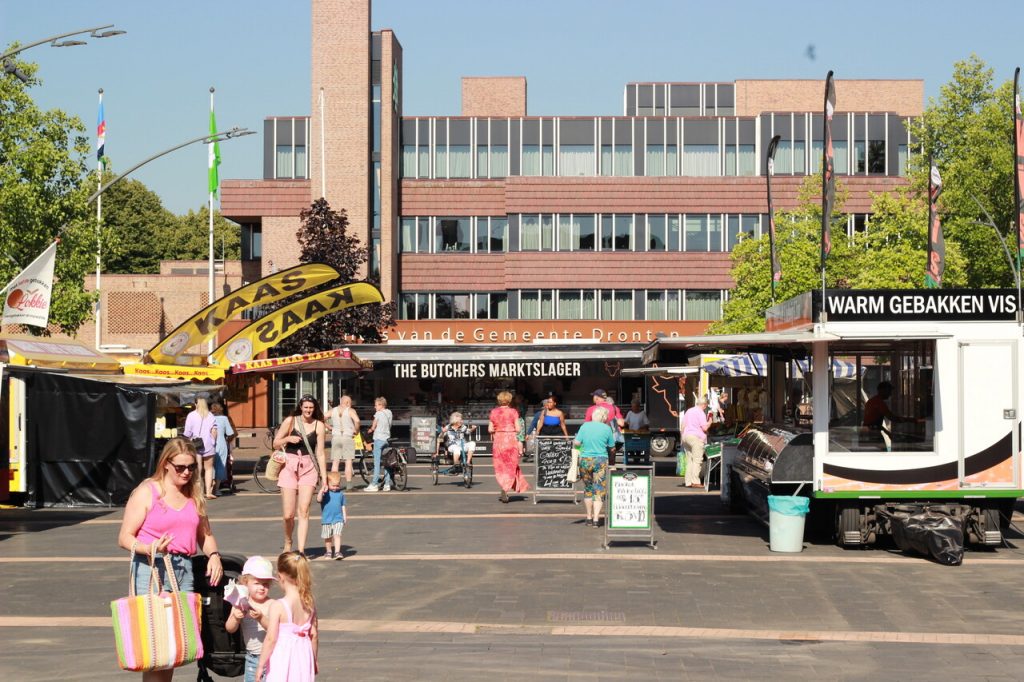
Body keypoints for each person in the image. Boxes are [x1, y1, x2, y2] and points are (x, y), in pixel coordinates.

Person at [117, 438, 224, 682]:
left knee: (173, 647)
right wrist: (148, 547)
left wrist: (214, 556)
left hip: (183, 570)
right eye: (180, 467)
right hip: (151, 568)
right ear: (166, 464)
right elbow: (124, 537)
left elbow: (205, 535)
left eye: (191, 467)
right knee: (155, 647)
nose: (187, 472)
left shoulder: (194, 495)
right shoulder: (148, 492)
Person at [272, 395, 327, 555]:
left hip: (309, 467)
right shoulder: (291, 421)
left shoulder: (319, 426)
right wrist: (288, 438)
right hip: (289, 466)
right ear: (301, 407)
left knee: (304, 511)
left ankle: (301, 550)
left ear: (314, 408)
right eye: (306, 407)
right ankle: (288, 542)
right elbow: (276, 442)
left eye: (311, 407)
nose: (308, 410)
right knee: (288, 514)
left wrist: (324, 478)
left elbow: (321, 453)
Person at [256, 552, 318, 682]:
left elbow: (271, 638)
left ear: (280, 576)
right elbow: (314, 635)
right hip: (303, 657)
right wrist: (314, 659)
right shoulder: (309, 602)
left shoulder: (278, 606)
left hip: (283, 658)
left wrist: (261, 664)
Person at [225, 556, 277, 682]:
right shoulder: (241, 603)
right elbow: (230, 628)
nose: (261, 587)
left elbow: (275, 630)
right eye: (257, 583)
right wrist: (235, 618)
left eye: (265, 584)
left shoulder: (273, 604)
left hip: (273, 656)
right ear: (245, 582)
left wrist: (261, 618)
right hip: (252, 658)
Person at [574, 406, 615, 527]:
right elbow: (612, 447)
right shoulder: (607, 428)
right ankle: (596, 519)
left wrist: (581, 449)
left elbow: (576, 443)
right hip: (600, 460)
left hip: (585, 460)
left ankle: (588, 517)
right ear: (604, 417)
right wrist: (612, 461)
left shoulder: (585, 426)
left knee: (588, 488)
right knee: (599, 490)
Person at [489, 390, 529, 503]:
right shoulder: (513, 412)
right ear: (509, 400)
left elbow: (490, 429)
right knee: (511, 465)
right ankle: (506, 487)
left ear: (499, 400)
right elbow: (518, 429)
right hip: (510, 440)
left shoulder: (494, 412)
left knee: (500, 466)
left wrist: (498, 429)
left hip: (499, 440)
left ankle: (504, 487)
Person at [182, 397, 216, 498]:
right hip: (209, 444)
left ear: (196, 404)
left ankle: (198, 492)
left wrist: (185, 439)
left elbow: (187, 432)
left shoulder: (191, 415)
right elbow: (214, 431)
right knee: (209, 469)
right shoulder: (210, 415)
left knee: (197, 469)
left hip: (195, 444)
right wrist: (213, 441)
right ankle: (209, 492)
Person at [326, 395, 358, 489]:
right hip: (347, 437)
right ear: (347, 402)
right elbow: (357, 420)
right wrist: (356, 430)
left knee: (335, 462)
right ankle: (349, 485)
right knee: (348, 461)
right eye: (350, 403)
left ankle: (333, 484)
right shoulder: (350, 411)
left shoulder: (333, 410)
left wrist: (329, 427)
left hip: (336, 437)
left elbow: (321, 418)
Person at [586, 389, 625, 464]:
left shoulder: (591, 409)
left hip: (596, 440)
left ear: (596, 398)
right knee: (611, 462)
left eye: (593, 396)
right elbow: (621, 423)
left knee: (598, 462)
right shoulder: (614, 408)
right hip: (611, 439)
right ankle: (611, 469)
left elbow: (587, 426)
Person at [680, 397, 711, 488]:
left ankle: (688, 482)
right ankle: (695, 481)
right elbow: (704, 428)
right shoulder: (700, 412)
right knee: (697, 460)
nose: (706, 407)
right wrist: (710, 422)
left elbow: (683, 425)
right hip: (696, 438)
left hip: (686, 436)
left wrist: (682, 437)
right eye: (706, 405)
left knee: (690, 460)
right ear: (704, 405)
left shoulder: (689, 411)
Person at [365, 397, 394, 492]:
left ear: (381, 405)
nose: (375, 407)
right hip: (387, 438)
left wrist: (370, 430)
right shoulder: (389, 412)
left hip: (378, 439)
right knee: (387, 462)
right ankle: (387, 484)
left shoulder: (378, 413)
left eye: (376, 405)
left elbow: (374, 425)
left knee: (376, 462)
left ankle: (374, 484)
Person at [317, 471, 347, 560]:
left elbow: (343, 505)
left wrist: (344, 516)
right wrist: (321, 490)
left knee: (337, 535)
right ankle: (329, 551)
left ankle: (337, 552)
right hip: (327, 519)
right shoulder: (325, 493)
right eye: (333, 485)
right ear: (327, 484)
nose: (335, 488)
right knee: (328, 537)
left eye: (337, 485)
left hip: (338, 519)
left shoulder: (340, 494)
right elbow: (318, 500)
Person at [210, 401, 235, 498]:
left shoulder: (208, 417)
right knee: (220, 466)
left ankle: (209, 488)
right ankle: (216, 489)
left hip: (210, 445)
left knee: (209, 466)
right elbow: (230, 433)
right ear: (221, 409)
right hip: (221, 444)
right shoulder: (224, 418)